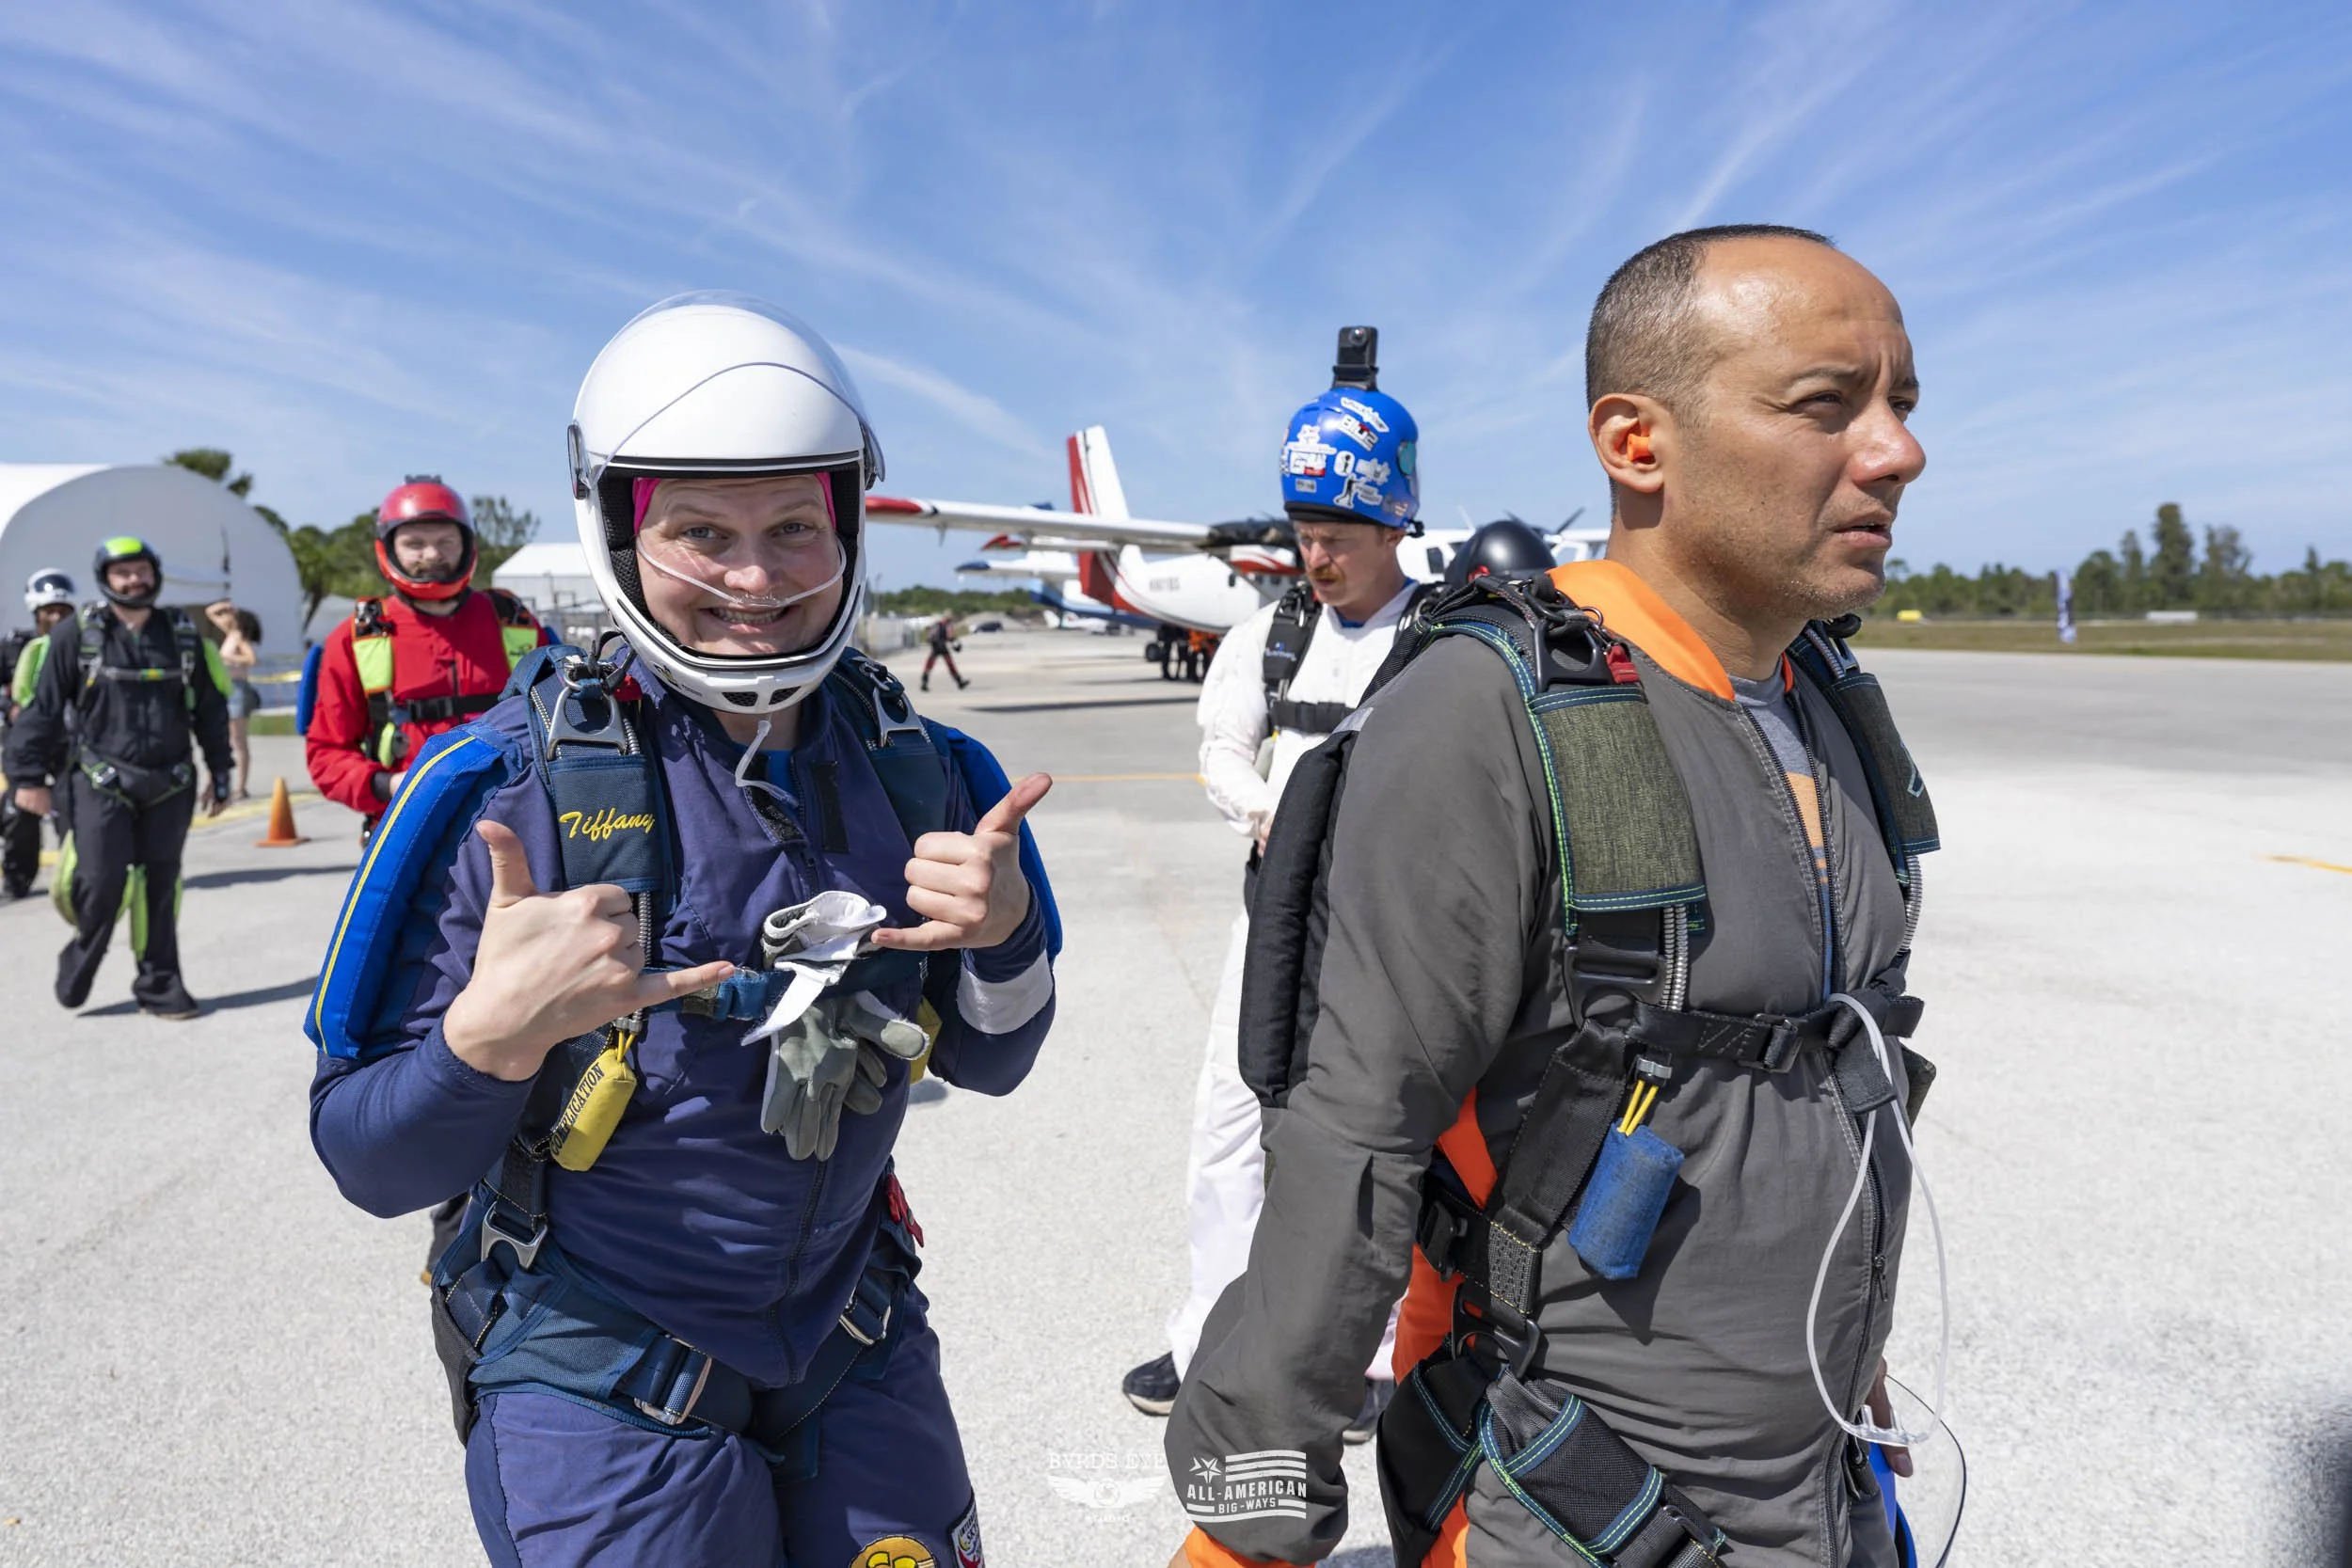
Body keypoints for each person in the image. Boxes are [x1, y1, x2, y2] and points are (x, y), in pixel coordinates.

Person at [1164, 227, 1940, 1567]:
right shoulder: (1491, 714)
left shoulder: (1827, 702)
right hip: (1585, 1506)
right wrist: (1248, 1522)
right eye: (1827, 405)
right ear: (1638, 444)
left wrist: (1838, 1346)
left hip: (1822, 1479)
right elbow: (1352, 1141)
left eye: (1901, 405)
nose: (1895, 451)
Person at [307, 292, 1058, 1568]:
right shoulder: (498, 791)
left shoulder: (934, 770)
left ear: (847, 531)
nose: (756, 578)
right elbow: (367, 1158)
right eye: (702, 532)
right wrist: (480, 1046)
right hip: (599, 1358)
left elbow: (994, 1058)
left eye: (792, 529)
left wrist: (1004, 930)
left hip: (849, 1332)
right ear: (620, 533)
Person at [1122, 325, 1425, 1440]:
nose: (1317, 554)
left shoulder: (1442, 641)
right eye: (1304, 532)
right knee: (1229, 1121)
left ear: (1395, 523)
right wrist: (1265, 811)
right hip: (1278, 918)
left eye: (1339, 532)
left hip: (1395, 935)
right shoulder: (1270, 632)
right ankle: (1211, 1335)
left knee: (1380, 1133)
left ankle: (1382, 1357)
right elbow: (1219, 748)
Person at [5, 538, 233, 1017]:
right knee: (101, 881)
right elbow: (42, 710)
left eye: (142, 571)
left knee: (160, 885)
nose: (134, 580)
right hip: (98, 781)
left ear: (155, 574)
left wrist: (221, 770)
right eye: (123, 573)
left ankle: (159, 984)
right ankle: (82, 956)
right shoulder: (77, 634)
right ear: (105, 579)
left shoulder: (181, 634)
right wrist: (26, 777)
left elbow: (210, 711)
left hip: (170, 782)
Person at [304, 477, 548, 836]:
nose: (432, 555)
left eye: (445, 542)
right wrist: (390, 785)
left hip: (517, 824)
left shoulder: (515, 622)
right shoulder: (355, 639)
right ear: (389, 549)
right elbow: (327, 754)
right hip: (408, 827)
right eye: (415, 544)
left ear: (467, 545)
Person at [1, 569, 78, 897]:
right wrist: (9, 708)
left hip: (68, 742)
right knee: (19, 812)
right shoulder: (14, 647)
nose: (56, 617)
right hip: (25, 743)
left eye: (62, 611)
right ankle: (17, 880)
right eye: (50, 611)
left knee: (71, 810)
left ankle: (77, 878)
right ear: (37, 613)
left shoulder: (82, 647)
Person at [205, 601, 261, 801]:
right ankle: (224, 784)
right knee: (226, 738)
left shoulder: (239, 638)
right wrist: (226, 606)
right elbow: (210, 613)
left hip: (239, 688)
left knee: (239, 740)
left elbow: (252, 659)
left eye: (227, 614)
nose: (224, 617)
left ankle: (241, 786)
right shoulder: (230, 636)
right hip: (228, 689)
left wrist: (229, 659)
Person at [920, 613, 966, 690]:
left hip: (936, 647)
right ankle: (960, 682)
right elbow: (950, 636)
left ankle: (924, 684)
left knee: (929, 665)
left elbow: (930, 637)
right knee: (950, 665)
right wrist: (956, 643)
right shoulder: (946, 625)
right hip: (942, 647)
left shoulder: (937, 625)